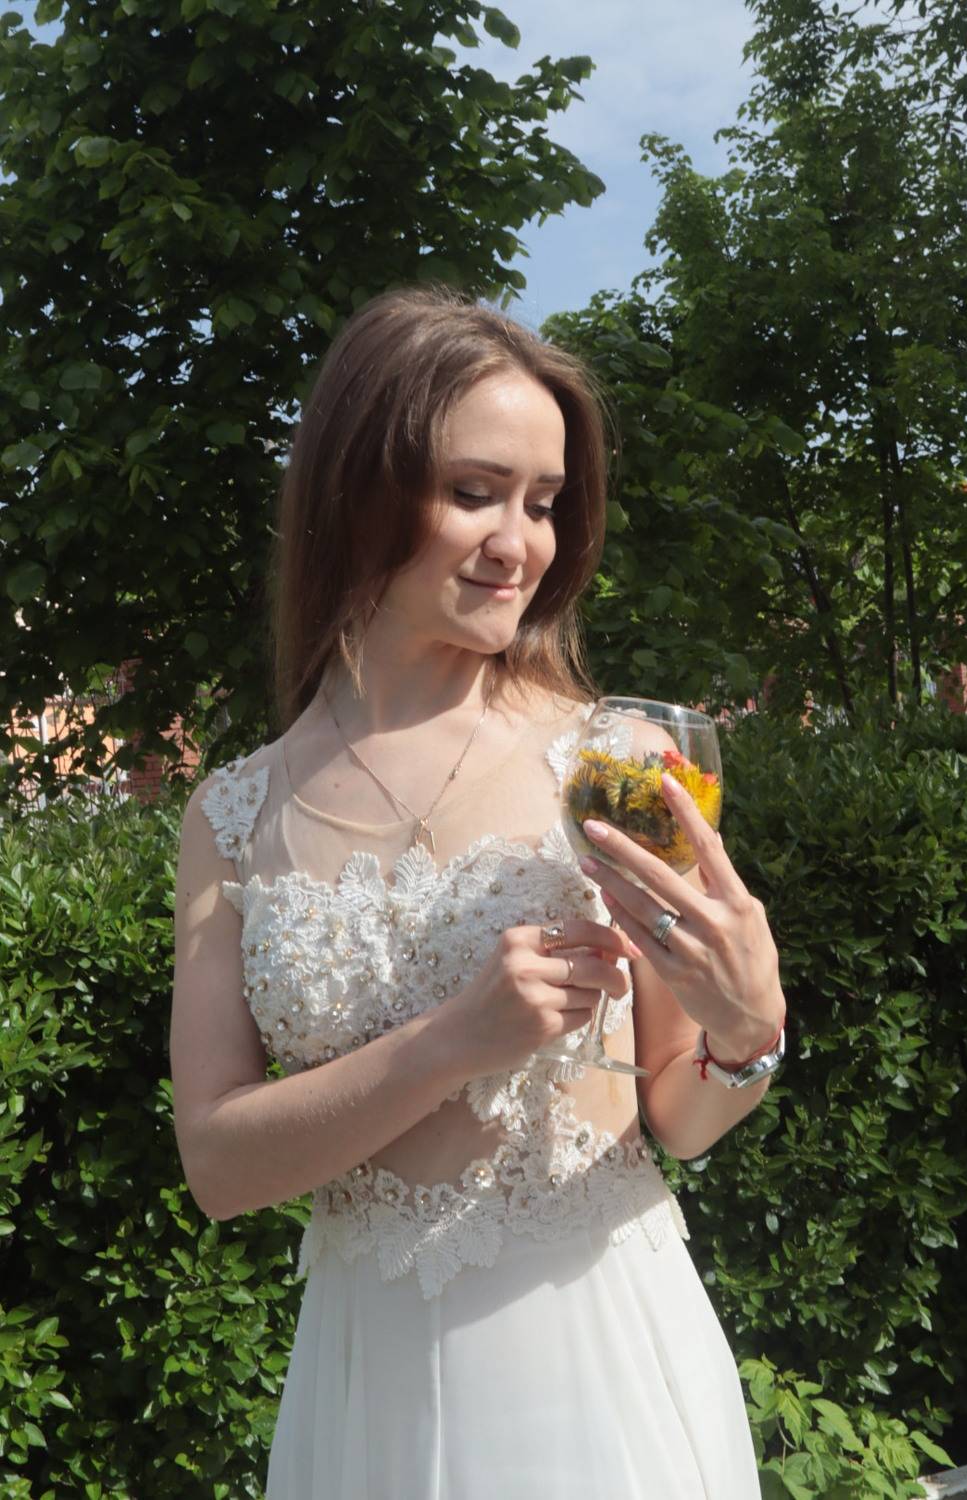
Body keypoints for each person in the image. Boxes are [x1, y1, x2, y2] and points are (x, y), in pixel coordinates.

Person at [170, 285, 787, 1499]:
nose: (521, 543)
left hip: (594, 1366)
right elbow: (219, 1169)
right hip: (367, 1389)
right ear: (357, 487)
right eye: (474, 492)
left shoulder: (613, 763)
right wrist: (452, 1040)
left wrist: (747, 1031)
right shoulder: (233, 815)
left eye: (544, 503)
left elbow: (681, 1113)